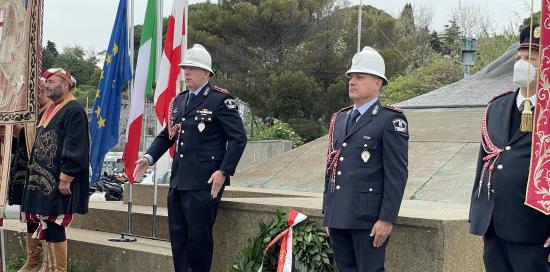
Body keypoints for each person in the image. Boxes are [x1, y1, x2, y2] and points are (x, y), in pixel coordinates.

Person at [133, 44, 247, 272]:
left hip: (204, 183)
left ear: (206, 73)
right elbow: (168, 134)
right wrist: (148, 157)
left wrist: (223, 171)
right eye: (185, 67)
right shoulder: (179, 101)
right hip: (178, 181)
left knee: (198, 241)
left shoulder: (220, 100)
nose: (186, 72)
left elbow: (238, 138)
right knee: (179, 239)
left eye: (193, 68)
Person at [469, 24, 550, 272]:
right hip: (494, 226)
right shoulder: (497, 106)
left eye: (530, 59)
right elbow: (485, 162)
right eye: (519, 58)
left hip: (534, 229)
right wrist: (479, 216)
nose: (521, 64)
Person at [322, 46, 409, 271]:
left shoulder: (390, 120)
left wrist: (387, 219)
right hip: (339, 216)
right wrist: (328, 214)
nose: (352, 81)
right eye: (351, 77)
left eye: (360, 77)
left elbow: (396, 174)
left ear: (377, 83)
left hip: (368, 220)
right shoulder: (339, 119)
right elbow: (331, 169)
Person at [20, 68, 90, 272]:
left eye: (51, 81)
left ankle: (57, 270)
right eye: (46, 82)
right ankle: (46, 268)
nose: (46, 85)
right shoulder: (51, 108)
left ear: (65, 84)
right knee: (43, 222)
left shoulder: (73, 109)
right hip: (42, 179)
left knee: (54, 224)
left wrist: (66, 177)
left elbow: (75, 146)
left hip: (57, 180)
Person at [8, 77, 50, 272]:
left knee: (44, 217)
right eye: (36, 88)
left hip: (42, 172)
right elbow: (24, 137)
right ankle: (33, 259)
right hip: (26, 169)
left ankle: (47, 262)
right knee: (30, 215)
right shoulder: (32, 112)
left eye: (42, 87)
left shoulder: (52, 111)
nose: (39, 91)